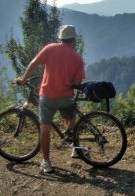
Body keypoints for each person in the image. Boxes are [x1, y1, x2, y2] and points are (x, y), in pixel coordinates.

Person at [16, 25, 85, 173]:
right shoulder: (77, 57)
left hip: (47, 96)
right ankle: (75, 149)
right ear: (73, 40)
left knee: (45, 129)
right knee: (70, 120)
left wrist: (23, 79)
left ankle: (46, 162)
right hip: (66, 96)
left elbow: (34, 63)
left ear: (61, 38)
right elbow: (77, 82)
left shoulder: (50, 48)